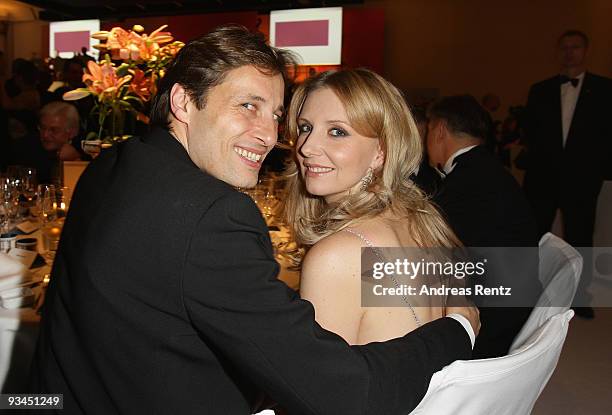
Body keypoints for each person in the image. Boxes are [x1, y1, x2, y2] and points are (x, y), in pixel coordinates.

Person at [30, 25, 479, 414]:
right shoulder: (212, 214)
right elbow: (345, 395)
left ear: (382, 149)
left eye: (277, 115)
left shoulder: (114, 163)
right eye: (249, 105)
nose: (274, 137)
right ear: (185, 102)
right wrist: (459, 327)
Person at [283, 69, 463, 346]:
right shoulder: (417, 216)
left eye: (337, 131)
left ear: (381, 151)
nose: (307, 147)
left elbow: (322, 386)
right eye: (305, 127)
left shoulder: (338, 255)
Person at [426, 94, 540, 358]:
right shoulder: (485, 168)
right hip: (514, 296)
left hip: (493, 317)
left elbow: (430, 244)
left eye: (428, 130)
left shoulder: (469, 181)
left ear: (440, 130)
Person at [523, 30, 612, 319]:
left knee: (580, 236)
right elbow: (531, 135)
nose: (569, 52)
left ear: (586, 51)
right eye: (564, 47)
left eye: (575, 47)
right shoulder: (540, 90)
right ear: (557, 52)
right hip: (543, 176)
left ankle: (578, 295)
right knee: (535, 234)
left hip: (583, 177)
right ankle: (528, 293)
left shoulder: (605, 89)